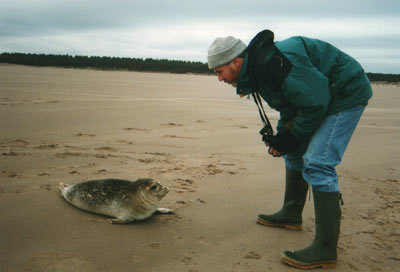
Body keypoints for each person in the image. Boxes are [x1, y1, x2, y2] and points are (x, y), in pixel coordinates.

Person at [207, 30, 372, 269]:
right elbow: (291, 104)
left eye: (219, 72)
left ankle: (325, 248)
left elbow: (314, 103)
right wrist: (284, 138)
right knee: (293, 152)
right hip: (324, 94)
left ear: (236, 61)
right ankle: (291, 213)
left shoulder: (272, 65)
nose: (219, 79)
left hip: (346, 92)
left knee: (318, 163)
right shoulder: (259, 68)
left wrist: (291, 136)